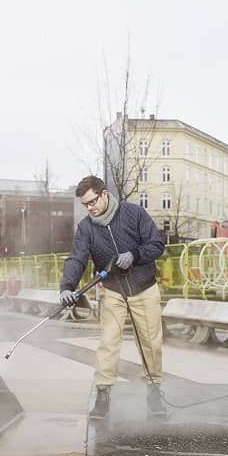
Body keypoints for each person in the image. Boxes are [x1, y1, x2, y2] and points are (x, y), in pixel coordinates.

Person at [60, 175, 166, 418]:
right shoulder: (86, 227)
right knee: (108, 342)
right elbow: (77, 258)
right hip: (113, 290)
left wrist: (135, 254)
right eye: (85, 205)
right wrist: (67, 286)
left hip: (144, 287)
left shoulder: (134, 213)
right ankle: (103, 394)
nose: (90, 208)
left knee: (150, 343)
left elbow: (156, 244)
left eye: (93, 201)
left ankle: (154, 390)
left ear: (104, 194)